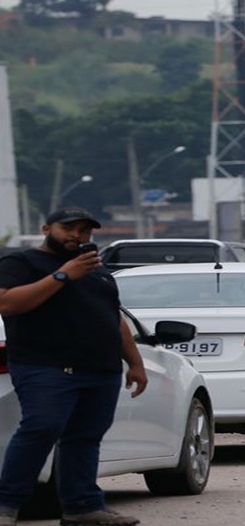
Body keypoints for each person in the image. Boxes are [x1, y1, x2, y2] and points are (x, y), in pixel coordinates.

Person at [0, 208, 146, 526]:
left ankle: (82, 508)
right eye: (68, 228)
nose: (77, 236)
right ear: (46, 228)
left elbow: (113, 318)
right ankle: (6, 505)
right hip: (46, 366)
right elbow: (7, 303)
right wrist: (63, 275)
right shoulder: (21, 263)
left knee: (85, 437)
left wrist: (135, 362)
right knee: (42, 429)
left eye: (84, 230)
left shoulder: (97, 270)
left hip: (100, 369)